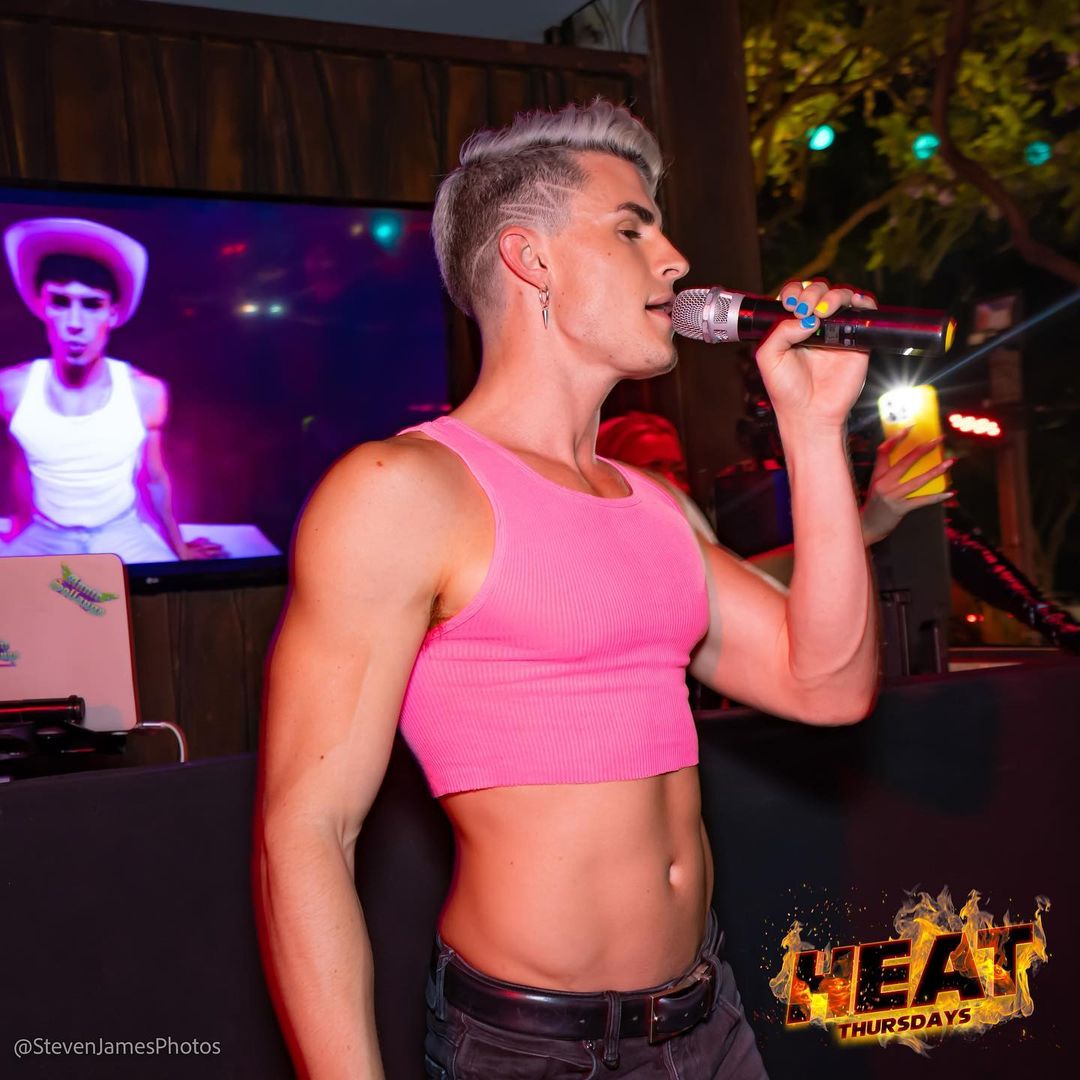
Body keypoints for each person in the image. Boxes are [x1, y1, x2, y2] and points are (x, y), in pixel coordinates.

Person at [254, 100, 880, 1079]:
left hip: (706, 1021)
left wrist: (814, 429)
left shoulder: (659, 506)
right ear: (529, 258)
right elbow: (304, 831)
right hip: (531, 1049)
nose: (675, 260)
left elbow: (828, 685)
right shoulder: (404, 490)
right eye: (633, 229)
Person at [0, 217, 221, 562]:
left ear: (113, 313)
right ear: (42, 306)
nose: (75, 324)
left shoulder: (145, 392)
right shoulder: (11, 387)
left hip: (121, 532)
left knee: (160, 590)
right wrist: (19, 527)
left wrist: (178, 546)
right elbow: (21, 466)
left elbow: (155, 479)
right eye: (60, 301)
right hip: (44, 534)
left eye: (92, 305)